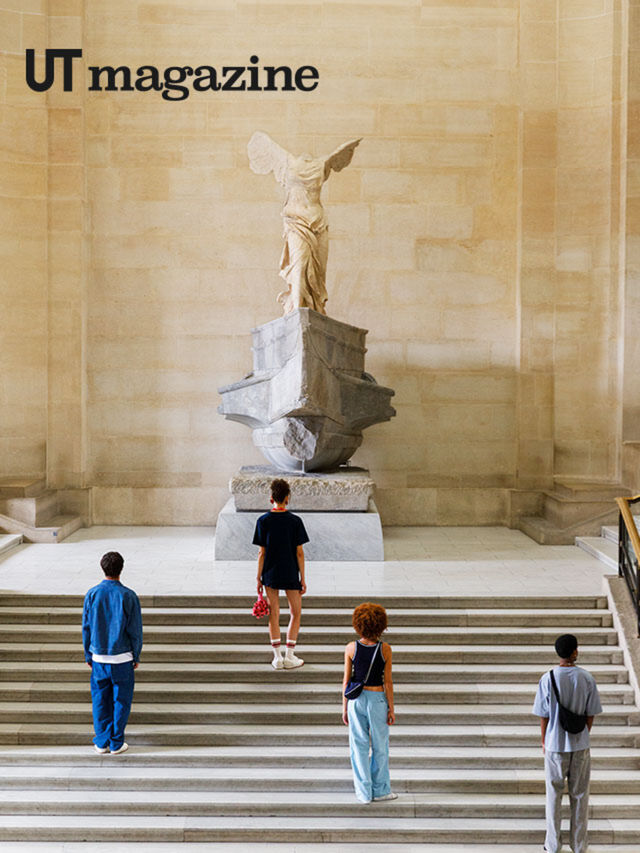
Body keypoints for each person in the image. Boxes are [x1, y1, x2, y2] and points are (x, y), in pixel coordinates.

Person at [247, 131, 361, 315]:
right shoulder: (287, 161)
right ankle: (297, 312)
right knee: (299, 267)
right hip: (296, 220)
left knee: (318, 273)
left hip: (318, 221)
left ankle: (315, 307)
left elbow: (339, 154)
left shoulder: (323, 163)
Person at [532, 633, 603, 853]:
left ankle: (552, 845)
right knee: (580, 795)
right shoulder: (587, 678)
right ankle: (579, 845)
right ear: (574, 652)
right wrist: (583, 732)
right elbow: (591, 714)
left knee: (553, 796)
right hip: (579, 745)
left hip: (554, 745)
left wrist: (544, 741)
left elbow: (543, 715)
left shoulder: (548, 678)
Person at [82, 551, 143, 755]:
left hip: (99, 657)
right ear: (121, 569)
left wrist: (88, 655)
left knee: (100, 701)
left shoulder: (92, 594)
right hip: (123, 657)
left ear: (103, 568)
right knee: (121, 701)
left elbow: (87, 628)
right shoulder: (129, 595)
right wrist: (136, 654)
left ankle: (101, 742)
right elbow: (135, 630)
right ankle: (116, 742)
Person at [342, 602, 397, 804]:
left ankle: (363, 793)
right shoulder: (385, 649)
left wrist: (344, 707)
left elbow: (346, 681)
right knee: (381, 746)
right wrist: (391, 708)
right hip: (378, 699)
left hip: (356, 700)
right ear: (381, 625)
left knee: (359, 745)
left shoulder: (351, 648)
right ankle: (381, 789)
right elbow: (388, 682)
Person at [253, 478, 309, 669]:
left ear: (271, 499)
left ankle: (277, 657)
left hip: (270, 572)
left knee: (273, 614)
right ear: (288, 498)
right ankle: (290, 655)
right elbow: (299, 553)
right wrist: (303, 578)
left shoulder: (263, 521)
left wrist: (258, 577)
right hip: (291, 572)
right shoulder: (295, 521)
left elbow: (262, 553)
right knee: (295, 612)